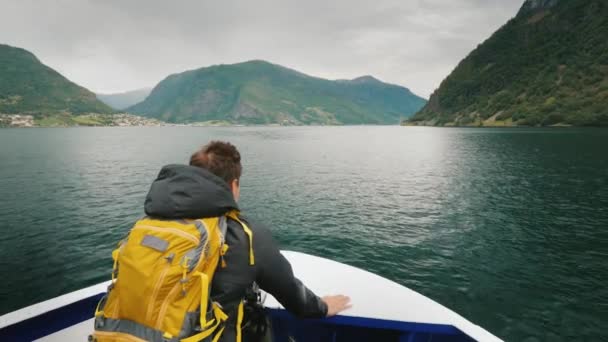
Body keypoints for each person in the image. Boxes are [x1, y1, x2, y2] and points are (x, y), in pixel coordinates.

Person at [143, 141, 351, 341]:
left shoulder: (150, 225)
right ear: (233, 185)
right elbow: (292, 295)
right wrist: (323, 307)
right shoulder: (245, 235)